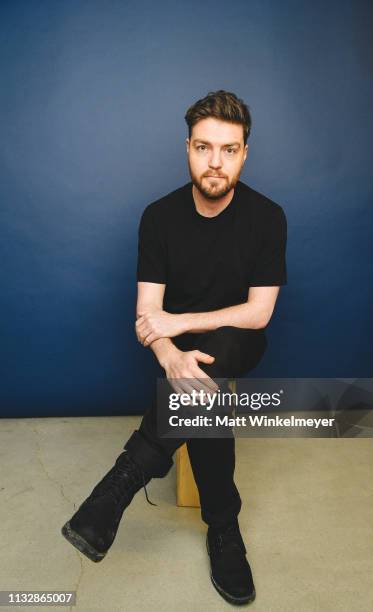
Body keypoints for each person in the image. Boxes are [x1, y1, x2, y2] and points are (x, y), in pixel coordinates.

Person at [61, 90, 287, 606]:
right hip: (175, 350)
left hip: (237, 342)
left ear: (245, 154)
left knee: (220, 352)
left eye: (229, 150)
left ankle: (112, 493)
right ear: (187, 148)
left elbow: (259, 312)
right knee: (200, 395)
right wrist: (169, 353)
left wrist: (180, 324)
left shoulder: (268, 217)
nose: (215, 162)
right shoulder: (158, 217)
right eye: (204, 147)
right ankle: (224, 526)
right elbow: (147, 315)